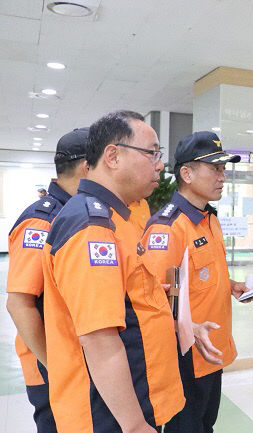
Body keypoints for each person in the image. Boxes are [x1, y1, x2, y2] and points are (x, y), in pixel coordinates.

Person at [42, 110, 185, 433]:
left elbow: (123, 298)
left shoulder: (117, 218)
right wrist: (134, 425)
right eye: (152, 153)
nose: (160, 165)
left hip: (133, 400)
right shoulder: (93, 228)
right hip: (108, 416)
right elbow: (99, 338)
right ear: (113, 156)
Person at [142, 131, 250, 433]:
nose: (222, 176)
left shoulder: (208, 219)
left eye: (223, 169)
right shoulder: (169, 228)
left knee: (205, 425)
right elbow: (153, 299)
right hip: (184, 356)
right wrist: (186, 330)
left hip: (211, 349)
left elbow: (197, 276)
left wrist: (230, 284)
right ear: (186, 173)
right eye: (215, 168)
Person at [6, 127, 89, 433]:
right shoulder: (42, 221)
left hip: (76, 363)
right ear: (86, 167)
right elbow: (19, 304)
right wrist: (55, 367)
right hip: (51, 367)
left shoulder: (78, 214)